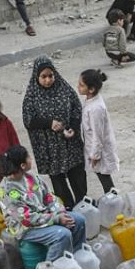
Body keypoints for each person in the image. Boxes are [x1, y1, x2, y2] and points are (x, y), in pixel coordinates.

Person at [0, 145, 87, 259]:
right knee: (62, 234)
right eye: (28, 157)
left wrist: (59, 212)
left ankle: (77, 255)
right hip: (26, 228)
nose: (31, 159)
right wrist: (56, 219)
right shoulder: (8, 191)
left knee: (79, 220)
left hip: (46, 215)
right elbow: (27, 219)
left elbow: (49, 197)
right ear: (22, 165)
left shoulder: (31, 177)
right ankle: (52, 268)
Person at [22, 56, 87, 205]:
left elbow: (76, 108)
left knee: (77, 174)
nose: (48, 80)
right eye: (43, 77)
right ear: (36, 77)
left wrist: (73, 127)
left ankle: (83, 203)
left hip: (69, 142)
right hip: (49, 148)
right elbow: (28, 120)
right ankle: (69, 208)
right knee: (58, 180)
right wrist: (49, 123)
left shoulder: (64, 88)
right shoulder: (32, 95)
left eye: (50, 76)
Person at [78, 69, 119, 194]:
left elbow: (98, 134)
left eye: (81, 85)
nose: (78, 87)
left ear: (91, 89)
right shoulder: (91, 101)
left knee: (104, 176)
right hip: (94, 147)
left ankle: (113, 200)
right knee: (102, 175)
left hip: (99, 149)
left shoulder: (96, 108)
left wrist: (95, 155)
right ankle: (112, 199)